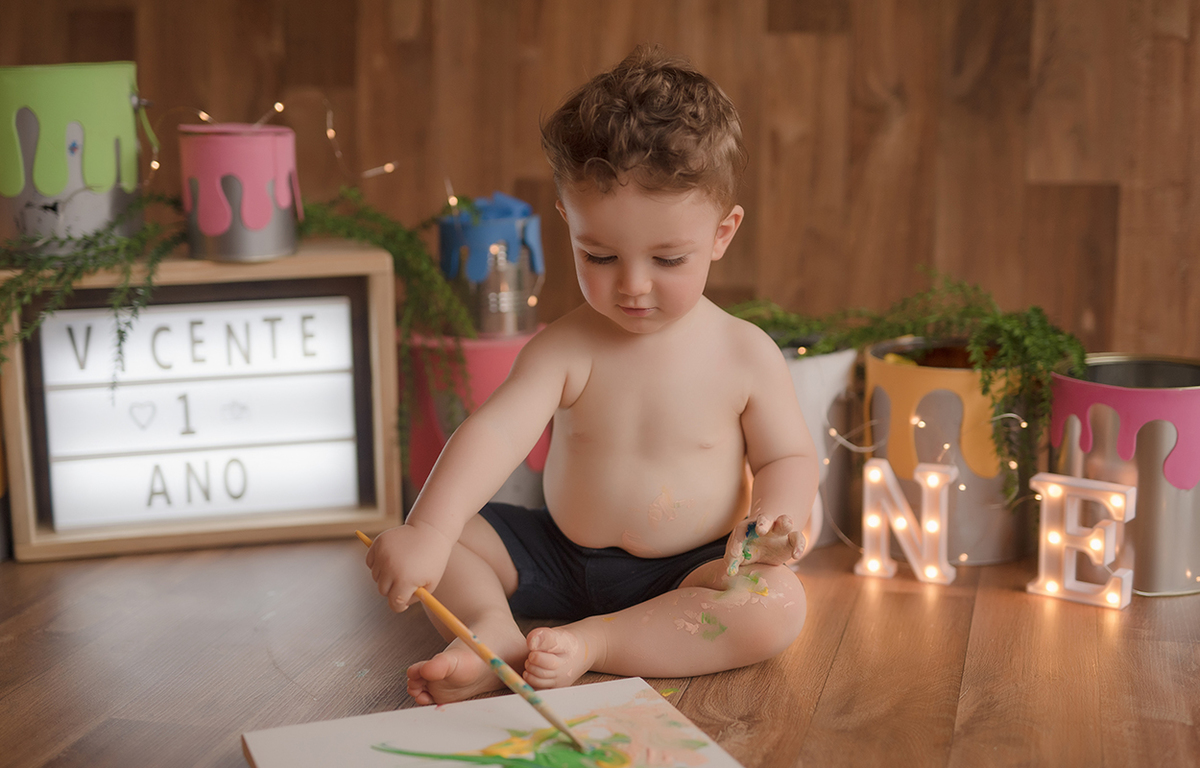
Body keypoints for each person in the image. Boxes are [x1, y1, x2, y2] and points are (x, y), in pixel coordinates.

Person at [367, 44, 818, 706]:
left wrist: (776, 515)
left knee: (776, 605)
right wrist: (428, 533)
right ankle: (492, 631)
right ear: (567, 222)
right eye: (599, 255)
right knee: (449, 524)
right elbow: (495, 433)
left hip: (685, 571)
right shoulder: (565, 347)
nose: (632, 286)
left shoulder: (743, 354)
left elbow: (787, 456)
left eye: (668, 259)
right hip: (555, 553)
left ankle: (596, 643)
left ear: (722, 233)